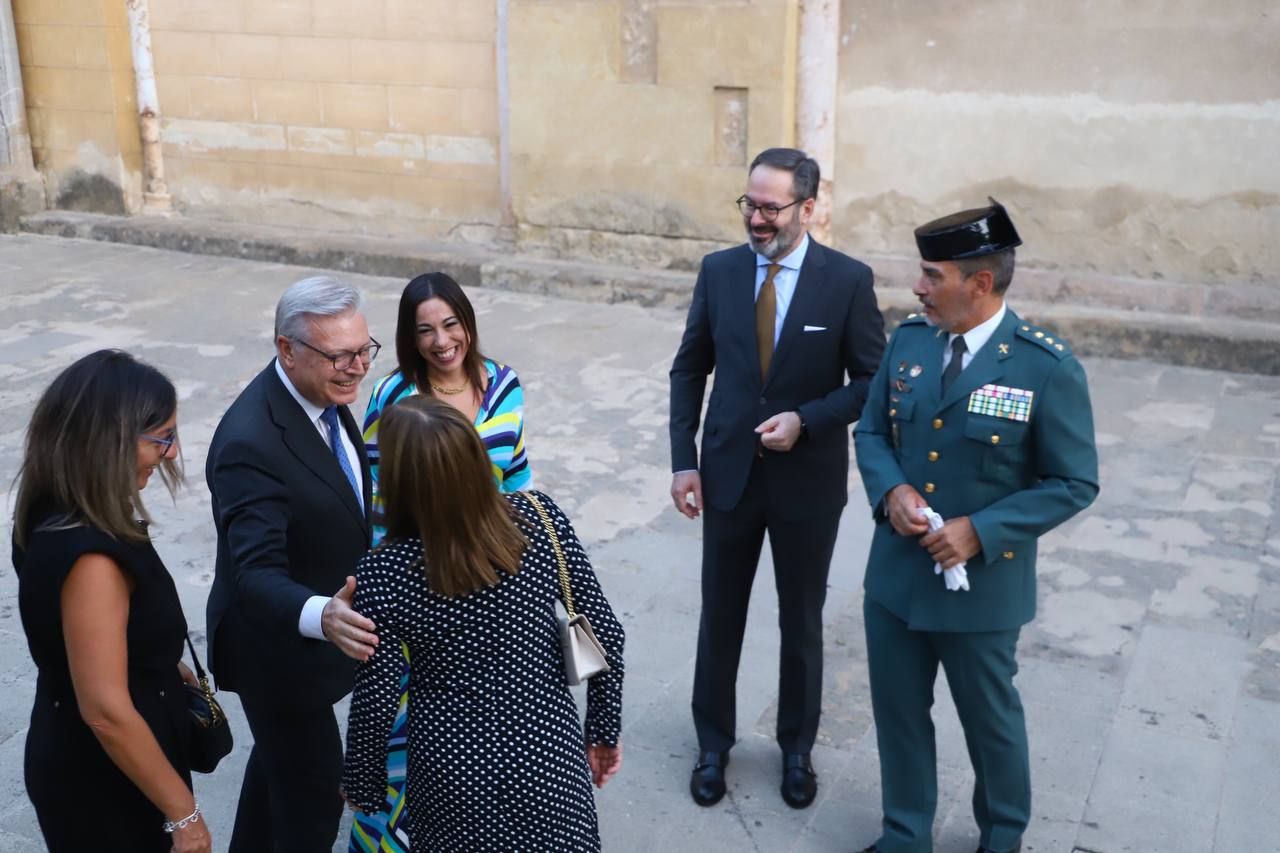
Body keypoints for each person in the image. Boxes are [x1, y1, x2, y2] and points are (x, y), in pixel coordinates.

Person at [853, 199, 1100, 853]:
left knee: (991, 722)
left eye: (933, 275)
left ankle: (1002, 834)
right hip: (897, 580)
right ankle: (904, 833)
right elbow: (873, 430)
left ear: (980, 283)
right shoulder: (909, 342)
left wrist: (981, 531)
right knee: (900, 716)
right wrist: (893, 489)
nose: (919, 287)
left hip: (982, 591)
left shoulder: (1043, 367)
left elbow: (1074, 482)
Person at [668, 147, 885, 808]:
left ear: (809, 208)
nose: (756, 219)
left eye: (770, 207)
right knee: (720, 616)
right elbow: (689, 368)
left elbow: (872, 382)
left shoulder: (847, 281)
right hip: (728, 472)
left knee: (802, 621)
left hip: (807, 484)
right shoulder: (720, 271)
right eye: (749, 204)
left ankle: (796, 748)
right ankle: (712, 745)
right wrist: (684, 458)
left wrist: (808, 419)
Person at [342, 396, 624, 851]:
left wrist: (364, 786)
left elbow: (378, 693)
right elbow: (606, 631)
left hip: (450, 770)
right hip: (547, 753)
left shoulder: (385, 572)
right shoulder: (540, 519)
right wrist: (604, 733)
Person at [350, 271, 532, 852]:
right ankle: (390, 835)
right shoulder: (393, 397)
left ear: (467, 322)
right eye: (424, 330)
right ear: (410, 336)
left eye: (450, 324)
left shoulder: (504, 385)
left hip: (490, 579)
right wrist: (386, 585)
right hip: (418, 584)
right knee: (404, 719)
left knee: (485, 723)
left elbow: (521, 485)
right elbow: (377, 497)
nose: (441, 341)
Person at [206, 275, 382, 851]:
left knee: (276, 780)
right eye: (339, 356)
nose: (356, 367)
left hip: (316, 638)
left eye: (363, 350)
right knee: (311, 797)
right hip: (274, 652)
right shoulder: (250, 442)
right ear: (287, 349)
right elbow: (253, 574)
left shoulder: (322, 395)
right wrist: (322, 615)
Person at [13, 350, 212, 853]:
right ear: (112, 442)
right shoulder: (92, 559)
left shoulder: (54, 507)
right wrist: (184, 816)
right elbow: (104, 709)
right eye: (161, 438)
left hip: (110, 758)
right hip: (107, 779)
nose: (170, 453)